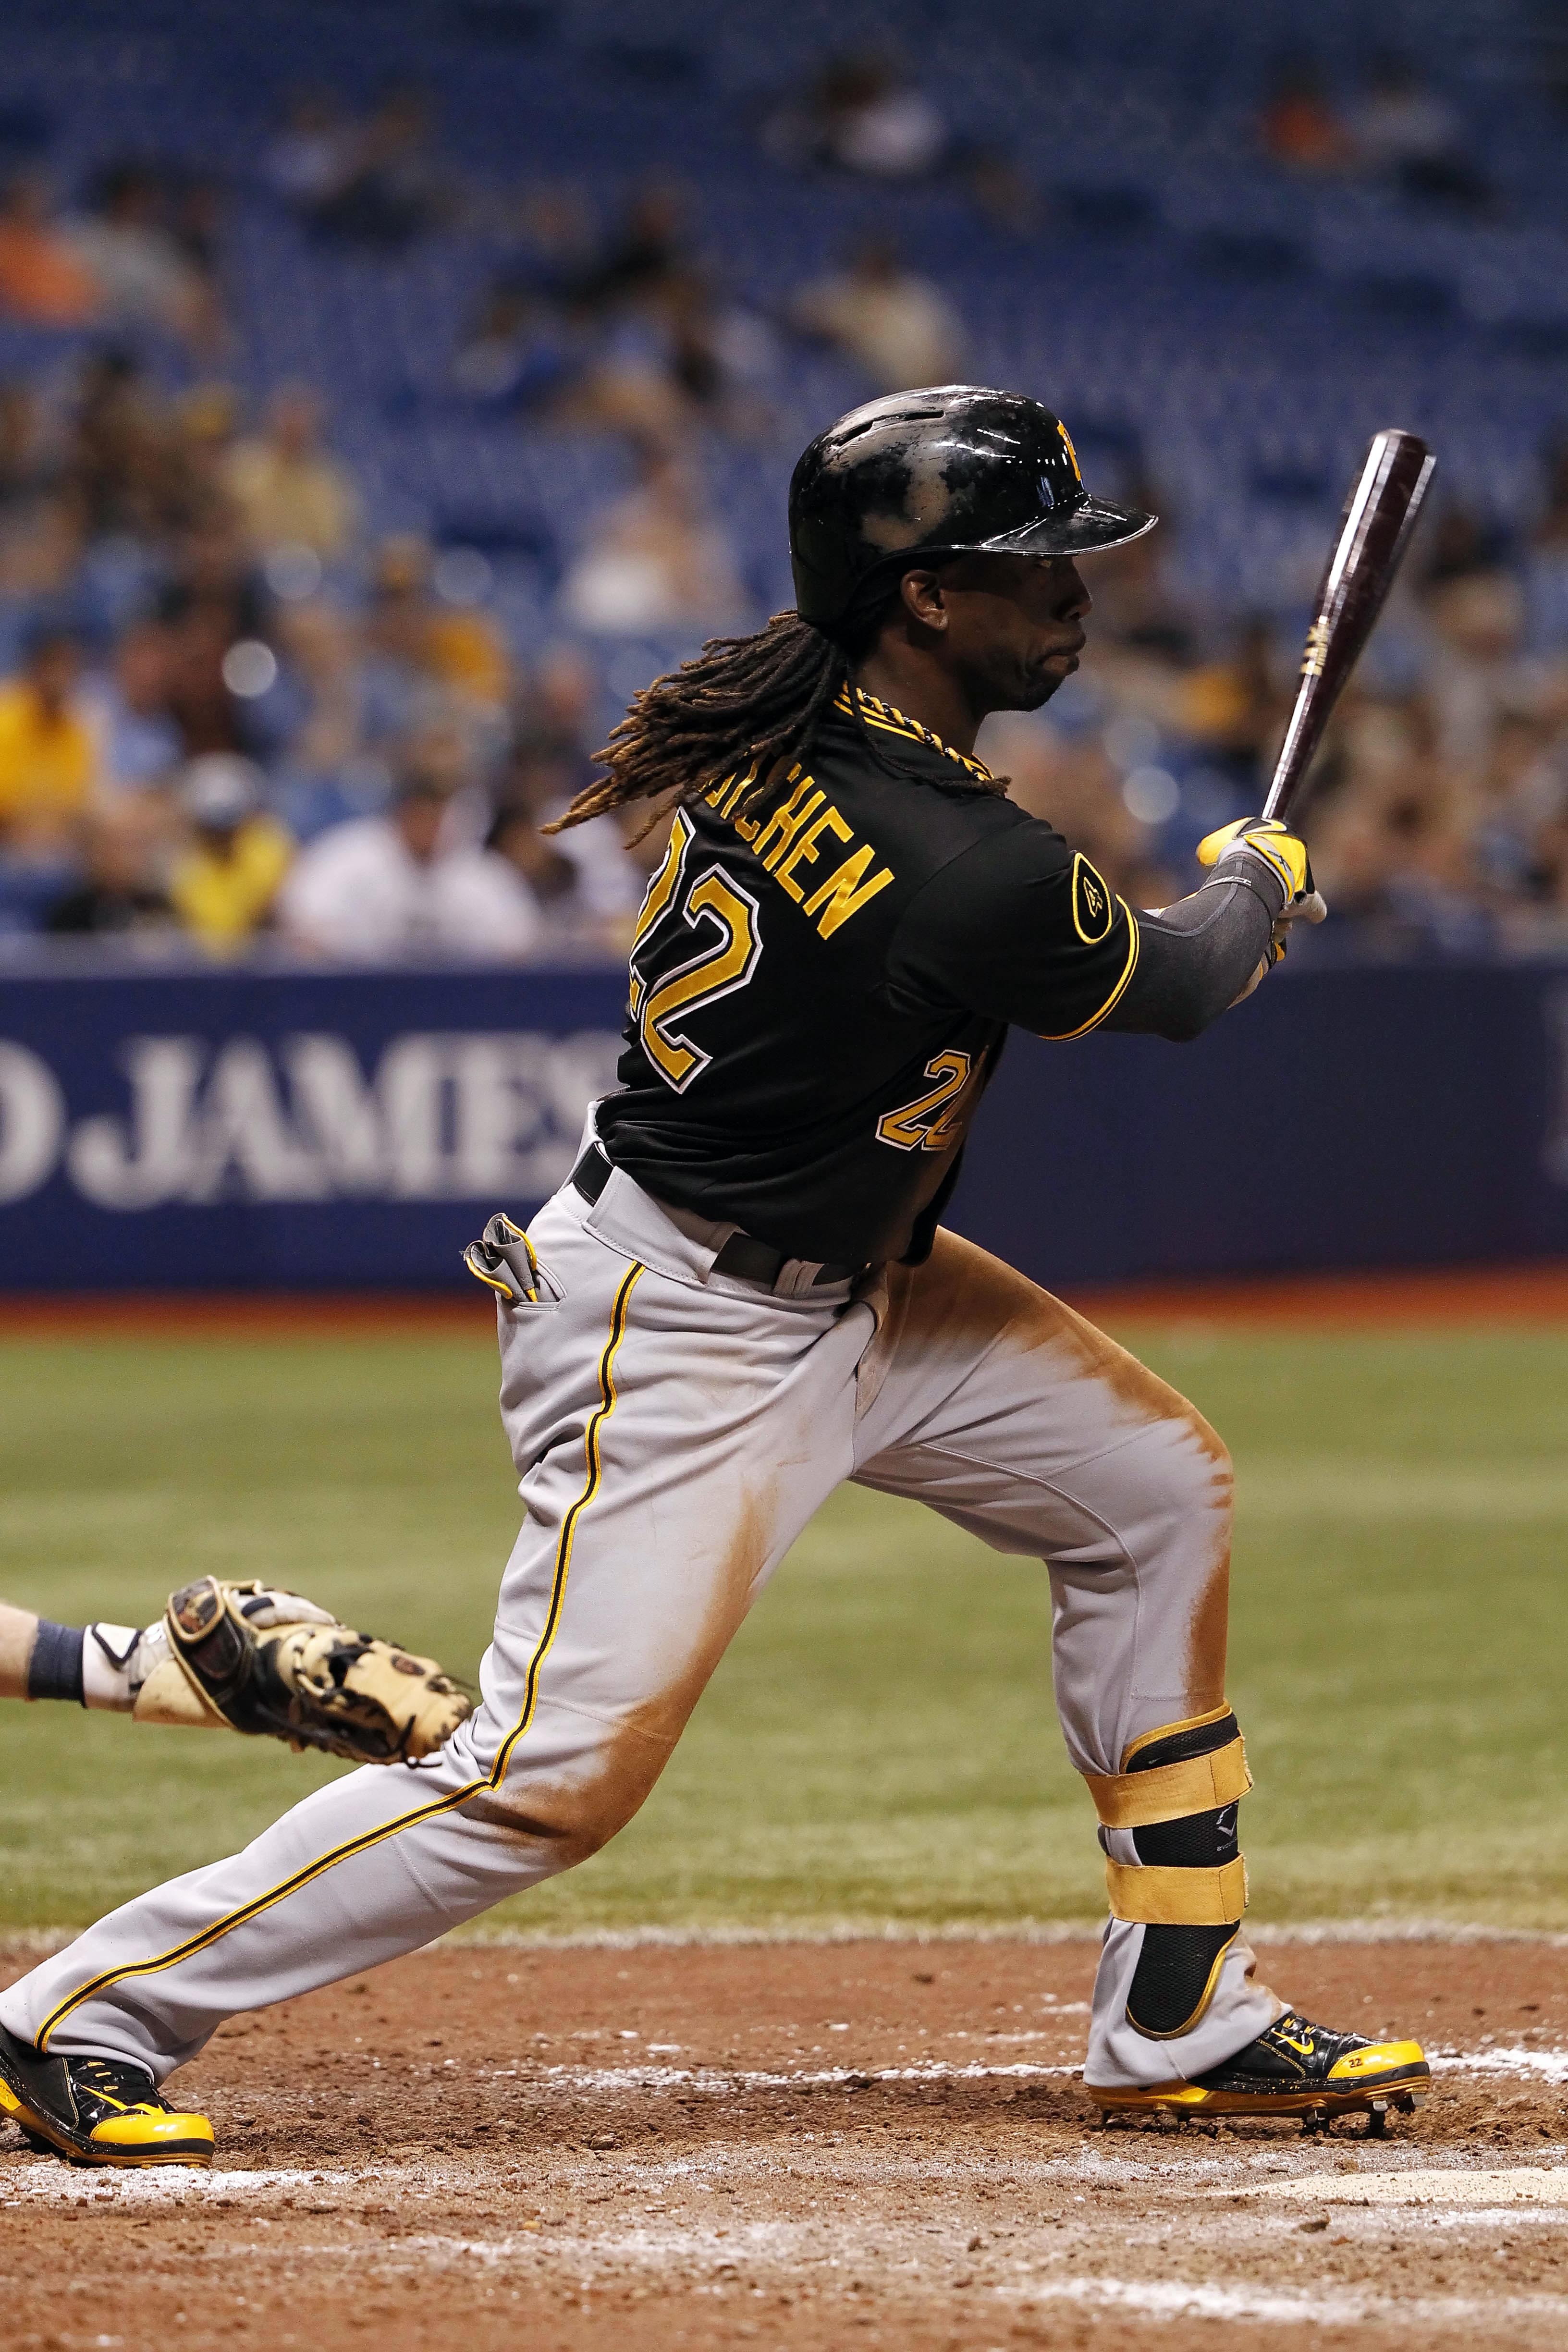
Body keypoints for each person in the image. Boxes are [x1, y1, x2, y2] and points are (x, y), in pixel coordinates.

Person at [0, 387, 1428, 2168]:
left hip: (867, 1286)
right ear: (918, 599)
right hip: (688, 1324)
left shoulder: (793, 703)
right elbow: (1185, 981)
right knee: (547, 1779)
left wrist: (1225, 893)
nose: (1074, 600)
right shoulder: (958, 856)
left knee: (1151, 1492)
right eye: (1027, 570)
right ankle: (74, 2011)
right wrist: (1258, 877)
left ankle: (1175, 2011)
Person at [278, 772, 539, 961]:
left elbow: (521, 936)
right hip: (360, 997)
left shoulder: (468, 867)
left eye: (437, 819)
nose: (430, 829)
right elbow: (303, 916)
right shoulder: (353, 854)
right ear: (403, 814)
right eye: (422, 818)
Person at [167, 754, 294, 954]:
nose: (222, 835)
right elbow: (218, 930)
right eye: (212, 827)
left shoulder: (271, 847)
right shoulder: (185, 865)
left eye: (230, 824)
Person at [224, 384, 360, 562]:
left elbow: (337, 544)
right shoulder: (243, 465)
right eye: (288, 420)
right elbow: (226, 526)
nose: (294, 429)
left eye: (302, 423)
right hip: (246, 568)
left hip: (307, 571)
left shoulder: (329, 483)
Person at [0, 620, 96, 850]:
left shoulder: (77, 727)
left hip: (57, 843)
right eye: (54, 667)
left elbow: (77, 801)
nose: (62, 678)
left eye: (70, 669)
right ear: (36, 669)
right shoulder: (7, 715)